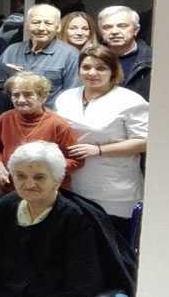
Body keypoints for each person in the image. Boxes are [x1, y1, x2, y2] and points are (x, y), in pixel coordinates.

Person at [0, 141, 137, 297]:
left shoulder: (76, 218)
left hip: (51, 292)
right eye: (20, 176)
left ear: (57, 180)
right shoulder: (11, 203)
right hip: (1, 288)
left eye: (39, 177)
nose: (28, 184)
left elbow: (82, 284)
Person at [55, 45, 149, 236]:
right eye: (86, 67)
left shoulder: (130, 100)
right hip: (72, 185)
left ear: (113, 71)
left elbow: (144, 142)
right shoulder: (65, 97)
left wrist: (98, 150)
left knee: (113, 244)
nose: (92, 73)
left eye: (101, 68)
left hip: (114, 191)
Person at [0, 72, 80, 195]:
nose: (21, 100)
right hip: (10, 188)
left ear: (43, 97)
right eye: (15, 95)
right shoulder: (5, 118)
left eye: (28, 95)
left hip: (45, 193)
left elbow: (76, 161)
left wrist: (43, 169)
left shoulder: (58, 124)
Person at [0, 4, 80, 106]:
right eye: (36, 22)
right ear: (27, 25)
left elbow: (72, 95)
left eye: (48, 23)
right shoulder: (11, 51)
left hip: (51, 114)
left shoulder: (70, 55)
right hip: (13, 113)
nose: (41, 28)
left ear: (58, 27)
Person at [98, 5, 152, 101]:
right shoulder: (91, 59)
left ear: (136, 30)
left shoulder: (152, 60)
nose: (114, 31)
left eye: (122, 26)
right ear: (100, 32)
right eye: (107, 27)